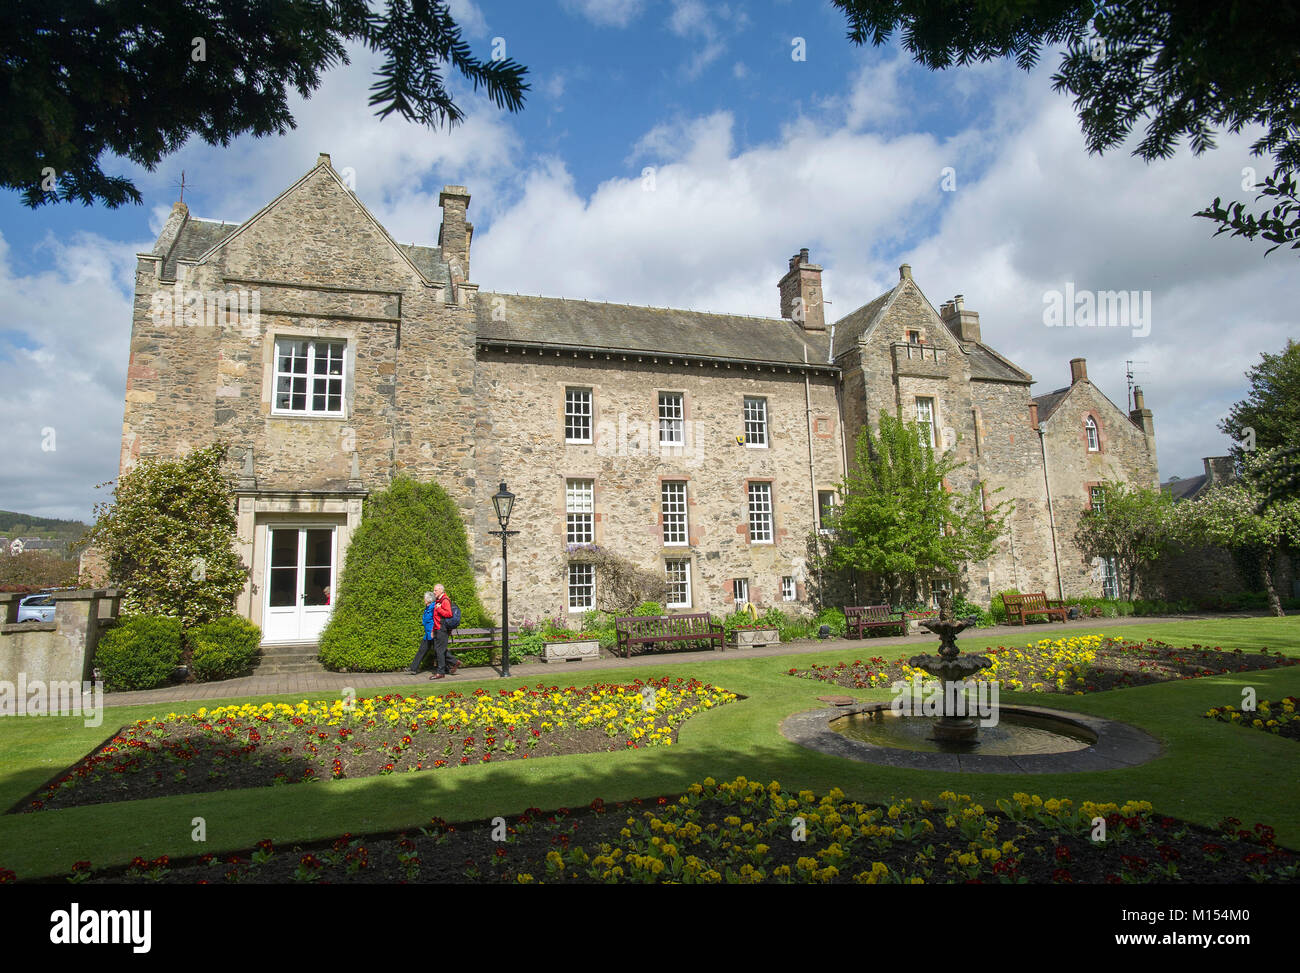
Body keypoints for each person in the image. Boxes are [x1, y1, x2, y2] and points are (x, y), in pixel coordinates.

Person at [431, 583, 460, 678]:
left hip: (442, 629)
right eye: (434, 590)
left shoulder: (445, 600)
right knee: (438, 649)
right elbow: (435, 617)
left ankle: (440, 672)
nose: (434, 592)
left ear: (440, 590)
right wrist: (433, 630)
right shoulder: (438, 600)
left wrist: (439, 609)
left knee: (439, 651)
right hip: (437, 628)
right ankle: (454, 662)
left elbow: (449, 614)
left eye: (435, 590)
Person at [408, 592, 439, 676]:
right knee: (422, 650)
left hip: (432, 633)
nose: (424, 600)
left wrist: (433, 631)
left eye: (425, 598)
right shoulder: (428, 607)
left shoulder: (433, 608)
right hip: (428, 633)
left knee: (439, 651)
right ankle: (413, 668)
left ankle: (452, 663)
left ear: (429, 600)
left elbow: (435, 620)